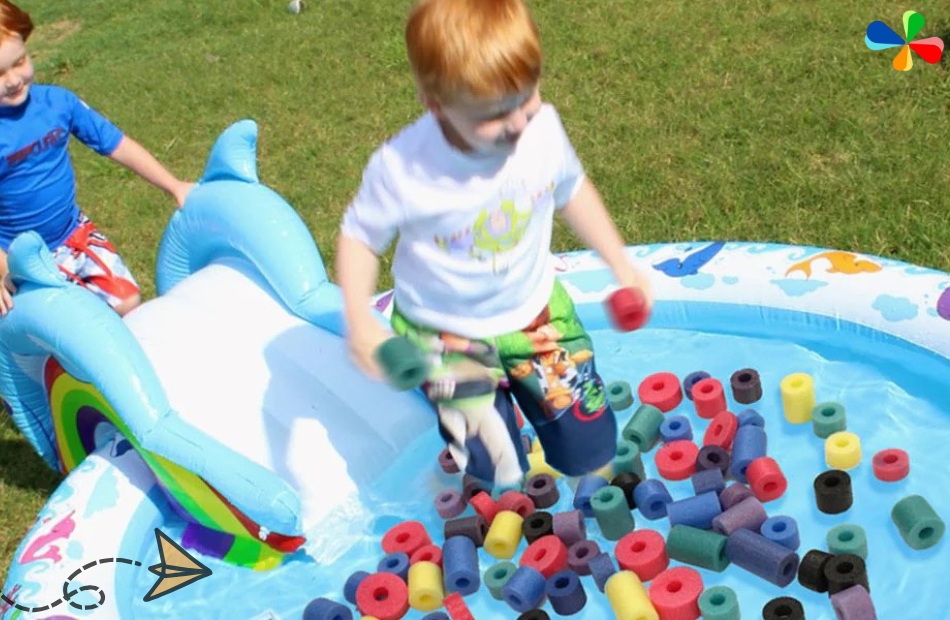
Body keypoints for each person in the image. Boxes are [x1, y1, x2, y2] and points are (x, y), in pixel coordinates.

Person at [336, 0, 653, 489]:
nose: (518, 123)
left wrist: (622, 265)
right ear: (434, 103)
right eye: (494, 114)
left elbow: (571, 189)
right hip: (443, 335)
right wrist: (358, 319)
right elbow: (360, 237)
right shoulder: (403, 168)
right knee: (496, 466)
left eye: (527, 98)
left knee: (591, 446)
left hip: (536, 316)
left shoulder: (540, 129)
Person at [0, 0, 194, 316]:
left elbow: (116, 143)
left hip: (74, 234)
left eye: (19, 62)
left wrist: (174, 185)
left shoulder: (58, 103)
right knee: (54, 340)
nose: (13, 80)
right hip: (16, 260)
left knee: (128, 301)